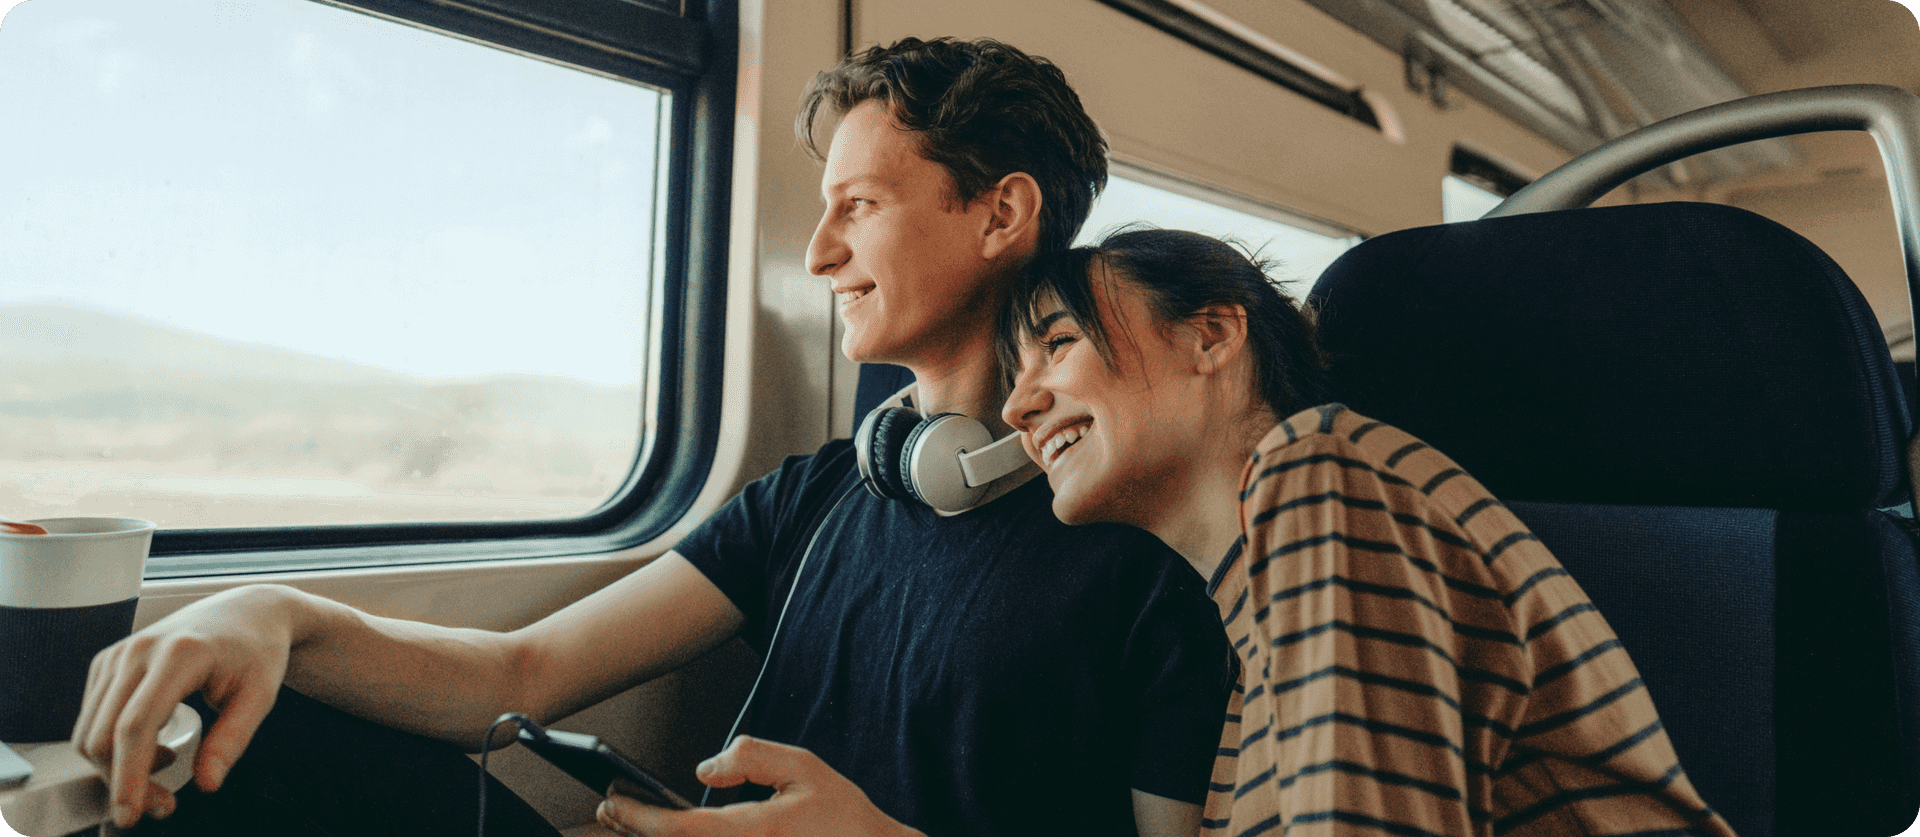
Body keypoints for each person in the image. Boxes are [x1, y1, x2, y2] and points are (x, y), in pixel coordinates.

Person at [74, 40, 1231, 837]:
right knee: (266, 733)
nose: (821, 253)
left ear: (1001, 214)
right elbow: (520, 679)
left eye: (860, 207)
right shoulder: (822, 496)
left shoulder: (1142, 538)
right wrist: (276, 614)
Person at [610, 228, 1738, 837]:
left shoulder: (1320, 481)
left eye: (1056, 345)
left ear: (1212, 338)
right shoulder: (1248, 606)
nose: (1017, 405)